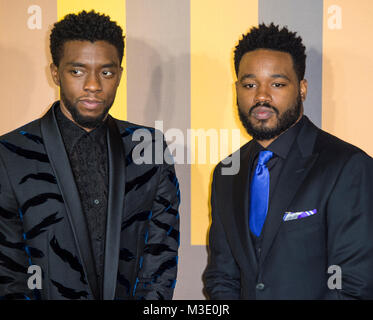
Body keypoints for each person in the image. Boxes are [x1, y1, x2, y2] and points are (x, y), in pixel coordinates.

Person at [0, 10, 180, 300]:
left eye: (106, 72)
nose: (94, 85)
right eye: (77, 71)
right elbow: (8, 270)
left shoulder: (149, 148)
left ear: (119, 74)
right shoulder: (10, 154)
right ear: (55, 73)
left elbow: (160, 255)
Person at [203, 23, 373, 299]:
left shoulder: (347, 166)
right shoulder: (226, 172)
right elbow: (222, 275)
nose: (261, 96)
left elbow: (354, 285)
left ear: (302, 89)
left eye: (277, 84)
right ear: (237, 89)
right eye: (250, 84)